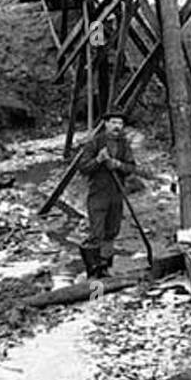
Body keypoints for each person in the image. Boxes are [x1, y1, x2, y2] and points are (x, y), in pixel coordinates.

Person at [75, 108, 137, 278]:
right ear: (106, 124)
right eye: (114, 122)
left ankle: (106, 268)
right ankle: (94, 275)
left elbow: (131, 167)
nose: (117, 126)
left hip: (116, 194)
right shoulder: (95, 143)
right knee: (97, 233)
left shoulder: (124, 145)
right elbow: (83, 168)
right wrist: (98, 160)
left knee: (112, 231)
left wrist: (117, 165)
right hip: (98, 193)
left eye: (120, 123)